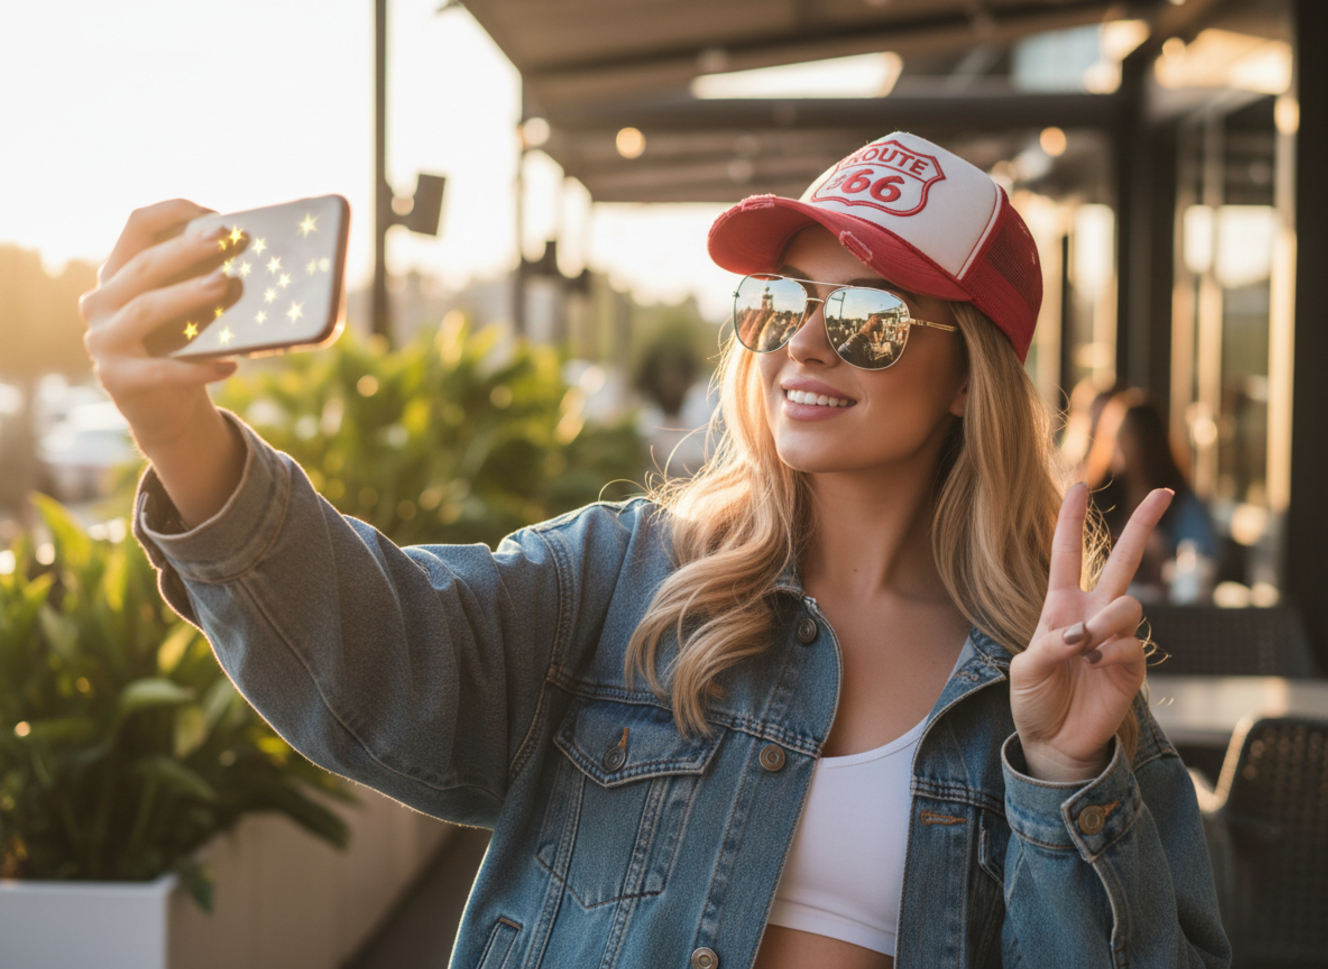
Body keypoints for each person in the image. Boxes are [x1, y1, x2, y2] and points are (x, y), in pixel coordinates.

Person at [81, 132, 1229, 969]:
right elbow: (386, 661)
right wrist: (182, 436)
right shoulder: (621, 579)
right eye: (779, 303)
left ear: (963, 381)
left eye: (871, 320)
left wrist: (1061, 779)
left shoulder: (1056, 679)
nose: (806, 345)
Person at [1085, 389, 1218, 597]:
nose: (1117, 442)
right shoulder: (1098, 497)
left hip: (1165, 611)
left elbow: (1203, 559)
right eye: (1113, 433)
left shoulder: (1179, 498)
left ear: (1148, 441)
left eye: (1127, 433)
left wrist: (1163, 553)